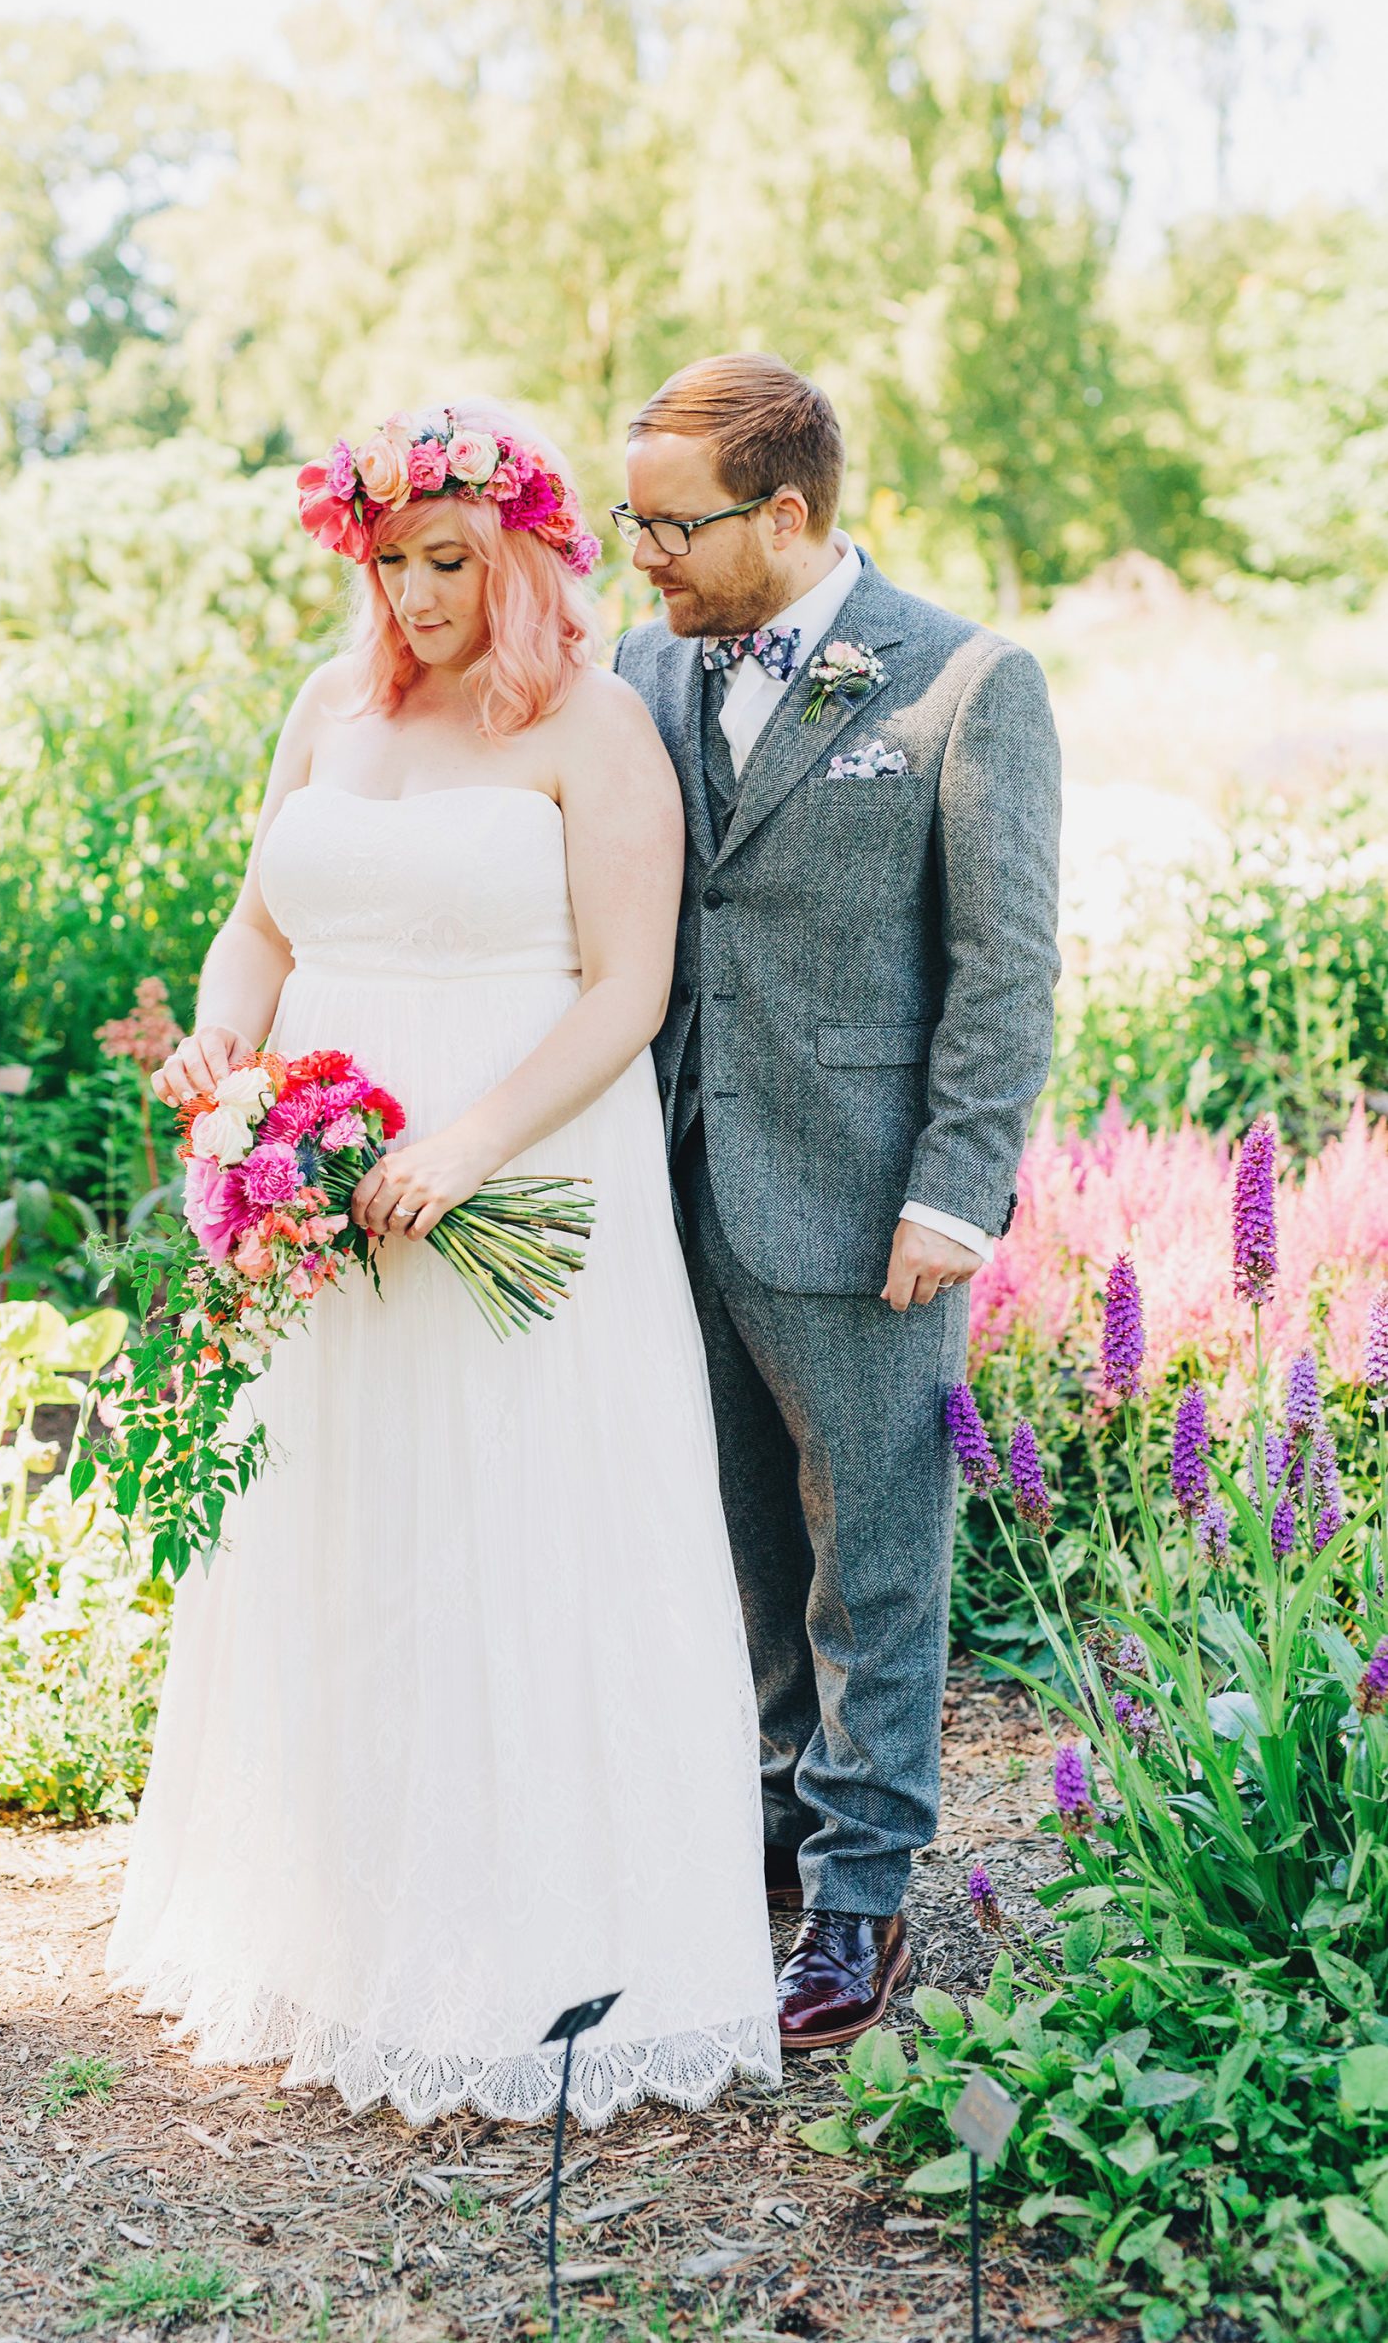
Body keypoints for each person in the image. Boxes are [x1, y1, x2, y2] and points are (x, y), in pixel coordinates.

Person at [104, 399, 780, 2126]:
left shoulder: (597, 726)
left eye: (447, 562)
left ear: (524, 551)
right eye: (389, 562)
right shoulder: (330, 708)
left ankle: (532, 1953)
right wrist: (227, 1064)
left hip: (520, 1183)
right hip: (324, 1194)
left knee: (517, 1534)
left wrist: (467, 1145)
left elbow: (628, 991)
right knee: (352, 1529)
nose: (413, 596)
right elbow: (261, 923)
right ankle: (340, 1930)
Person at [614, 353, 1062, 2050]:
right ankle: (782, 1830)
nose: (639, 555)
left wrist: (957, 1195)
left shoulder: (964, 684)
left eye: (670, 527)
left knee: (876, 1555)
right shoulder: (643, 669)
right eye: (628, 520)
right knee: (744, 1541)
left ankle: (864, 1900)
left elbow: (1006, 964)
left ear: (784, 515)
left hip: (874, 1205)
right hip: (678, 1180)